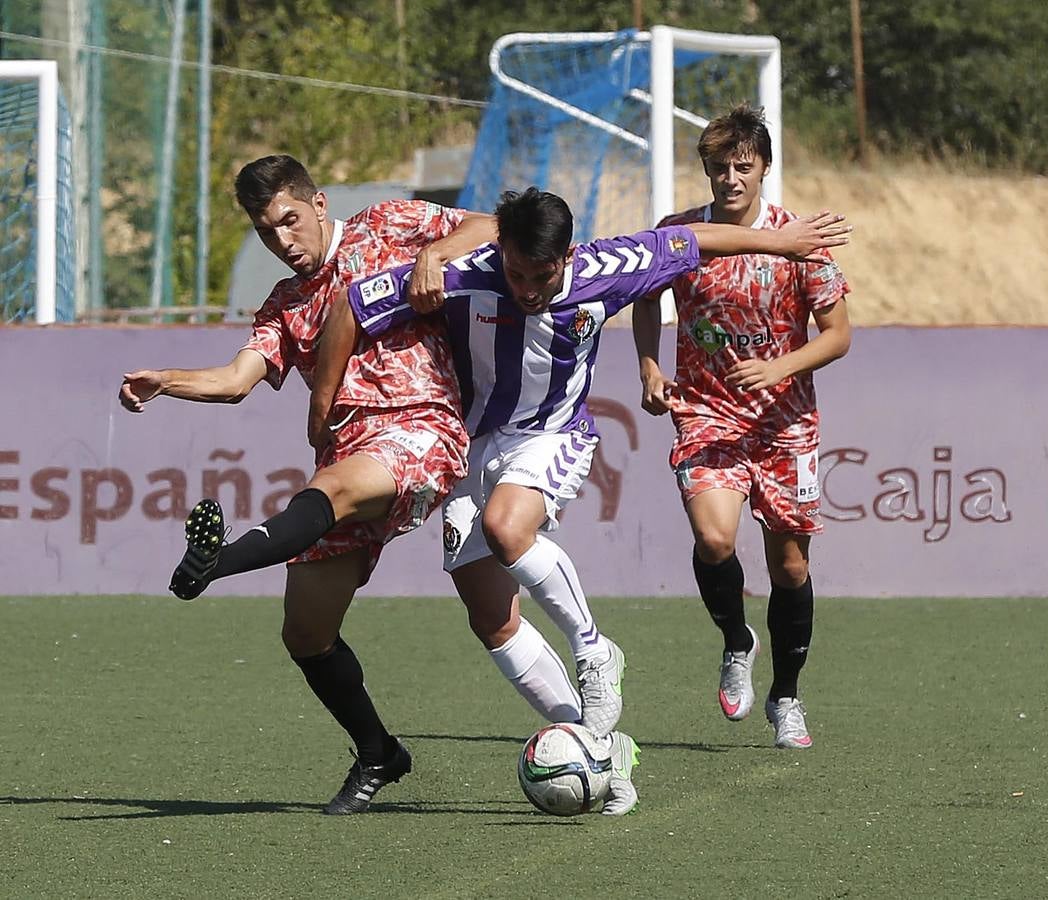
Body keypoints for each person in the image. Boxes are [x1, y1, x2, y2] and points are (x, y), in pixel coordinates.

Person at [312, 187, 850, 814]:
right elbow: (353, 305)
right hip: (469, 444)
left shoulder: (603, 267)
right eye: (516, 271)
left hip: (553, 436)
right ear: (502, 249)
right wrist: (321, 407)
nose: (528, 287)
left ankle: (595, 647)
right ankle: (599, 749)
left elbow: (694, 240)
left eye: (542, 275)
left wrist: (780, 241)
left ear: (567, 255)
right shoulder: (465, 273)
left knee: (508, 529)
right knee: (490, 618)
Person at [118, 154, 497, 813]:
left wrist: (438, 252)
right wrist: (167, 380)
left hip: (419, 429)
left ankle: (218, 561)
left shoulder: (391, 223)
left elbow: (492, 224)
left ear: (319, 203)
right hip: (346, 456)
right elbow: (237, 380)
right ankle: (380, 752)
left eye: (290, 221)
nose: (283, 241)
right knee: (306, 633)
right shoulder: (285, 303)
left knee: (338, 491)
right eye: (267, 232)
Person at [633, 103, 852, 750]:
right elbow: (645, 300)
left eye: (743, 167)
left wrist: (780, 365)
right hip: (706, 412)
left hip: (785, 423)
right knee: (715, 538)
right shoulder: (677, 235)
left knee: (788, 567)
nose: (730, 179)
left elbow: (838, 335)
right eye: (719, 167)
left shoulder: (799, 237)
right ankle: (736, 640)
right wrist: (649, 364)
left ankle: (786, 696)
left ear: (764, 169)